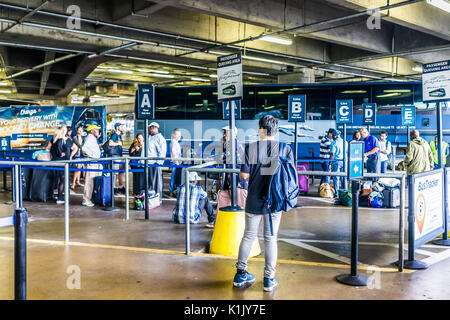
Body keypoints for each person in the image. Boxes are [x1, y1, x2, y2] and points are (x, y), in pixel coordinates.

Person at [234, 115, 295, 292]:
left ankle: (240, 274)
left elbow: (244, 176)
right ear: (276, 130)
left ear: (261, 129)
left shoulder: (251, 148)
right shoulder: (285, 149)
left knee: (248, 236)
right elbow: (291, 177)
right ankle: (269, 279)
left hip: (254, 199)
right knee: (270, 239)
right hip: (275, 201)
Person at [216, 125, 248, 214]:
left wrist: (218, 160)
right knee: (223, 198)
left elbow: (223, 158)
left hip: (238, 181)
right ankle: (218, 223)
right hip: (230, 180)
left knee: (241, 206)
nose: (224, 135)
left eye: (225, 132)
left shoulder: (233, 144)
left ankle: (244, 226)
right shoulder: (229, 144)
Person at [81, 124, 102, 207]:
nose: (98, 131)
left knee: (92, 181)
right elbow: (84, 148)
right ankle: (86, 200)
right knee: (89, 182)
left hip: (94, 162)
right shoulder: (90, 138)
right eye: (96, 130)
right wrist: (92, 155)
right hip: (92, 162)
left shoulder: (92, 138)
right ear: (92, 131)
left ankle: (89, 198)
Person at [51, 126, 71, 204]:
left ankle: (57, 196)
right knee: (63, 180)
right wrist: (63, 153)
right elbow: (60, 153)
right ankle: (60, 197)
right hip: (61, 163)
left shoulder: (55, 139)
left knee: (59, 180)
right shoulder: (60, 140)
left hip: (57, 162)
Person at [147, 122, 167, 203]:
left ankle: (158, 199)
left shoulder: (160, 138)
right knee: (151, 183)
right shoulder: (150, 137)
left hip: (155, 164)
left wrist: (158, 163)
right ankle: (151, 198)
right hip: (149, 163)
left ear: (154, 128)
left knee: (156, 183)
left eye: (149, 128)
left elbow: (162, 152)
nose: (148, 130)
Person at [107, 122, 125, 194]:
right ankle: (113, 188)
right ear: (117, 127)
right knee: (114, 173)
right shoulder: (114, 135)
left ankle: (120, 187)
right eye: (121, 126)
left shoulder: (119, 135)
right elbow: (110, 143)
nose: (123, 128)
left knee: (121, 172)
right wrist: (118, 143)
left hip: (119, 156)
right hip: (115, 157)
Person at [329, 129, 344, 197]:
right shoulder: (345, 142)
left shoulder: (334, 143)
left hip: (336, 162)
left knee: (336, 178)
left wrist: (330, 163)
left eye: (333, 135)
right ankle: (344, 192)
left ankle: (337, 194)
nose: (332, 137)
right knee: (344, 177)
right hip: (344, 161)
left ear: (335, 136)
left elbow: (332, 154)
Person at [169, 128, 182, 197]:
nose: (179, 136)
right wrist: (177, 162)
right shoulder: (173, 142)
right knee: (173, 177)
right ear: (173, 135)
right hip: (174, 162)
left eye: (179, 135)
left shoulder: (176, 142)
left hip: (176, 162)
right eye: (177, 135)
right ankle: (171, 191)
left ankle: (174, 190)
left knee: (175, 177)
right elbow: (173, 152)